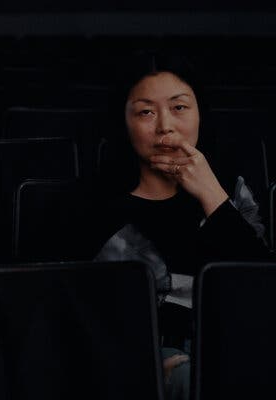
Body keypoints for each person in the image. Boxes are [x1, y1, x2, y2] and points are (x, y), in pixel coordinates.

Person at [91, 50, 273, 400]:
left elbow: (258, 289)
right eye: (146, 111)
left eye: (179, 108)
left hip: (234, 352)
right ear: (124, 122)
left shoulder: (231, 193)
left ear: (200, 114)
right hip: (131, 365)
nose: (165, 126)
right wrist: (141, 362)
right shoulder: (93, 207)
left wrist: (211, 194)